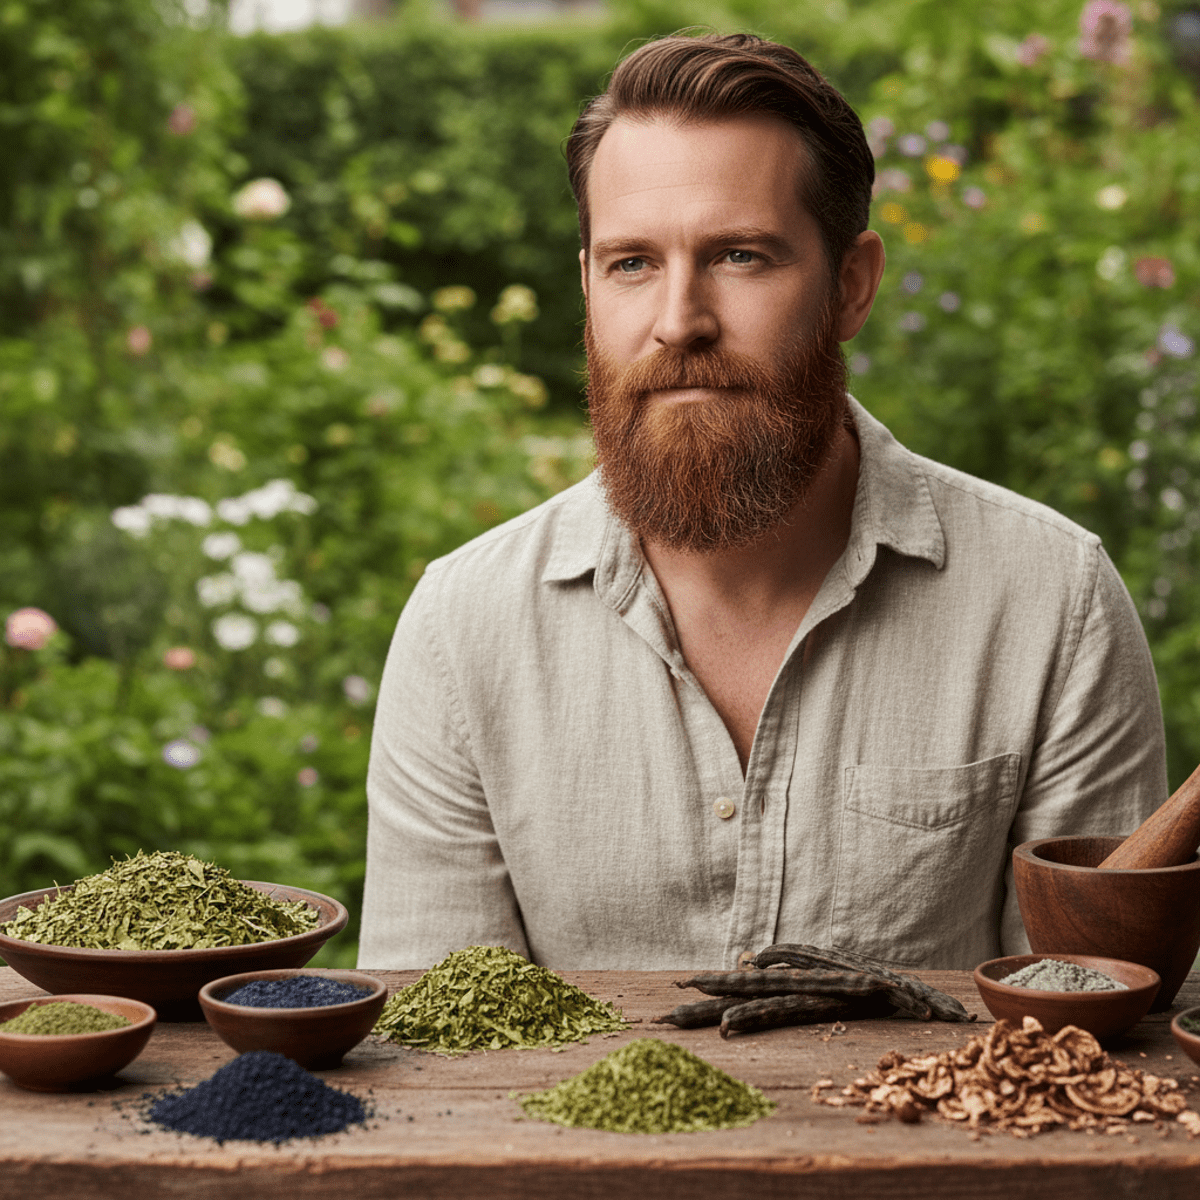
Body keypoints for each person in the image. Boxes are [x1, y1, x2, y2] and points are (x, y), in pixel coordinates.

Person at [357, 33, 1166, 971]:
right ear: (586, 285)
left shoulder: (1052, 605)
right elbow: (435, 1034)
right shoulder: (462, 630)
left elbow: (1091, 1025)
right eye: (631, 263)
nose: (678, 322)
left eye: (740, 256)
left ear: (851, 286)